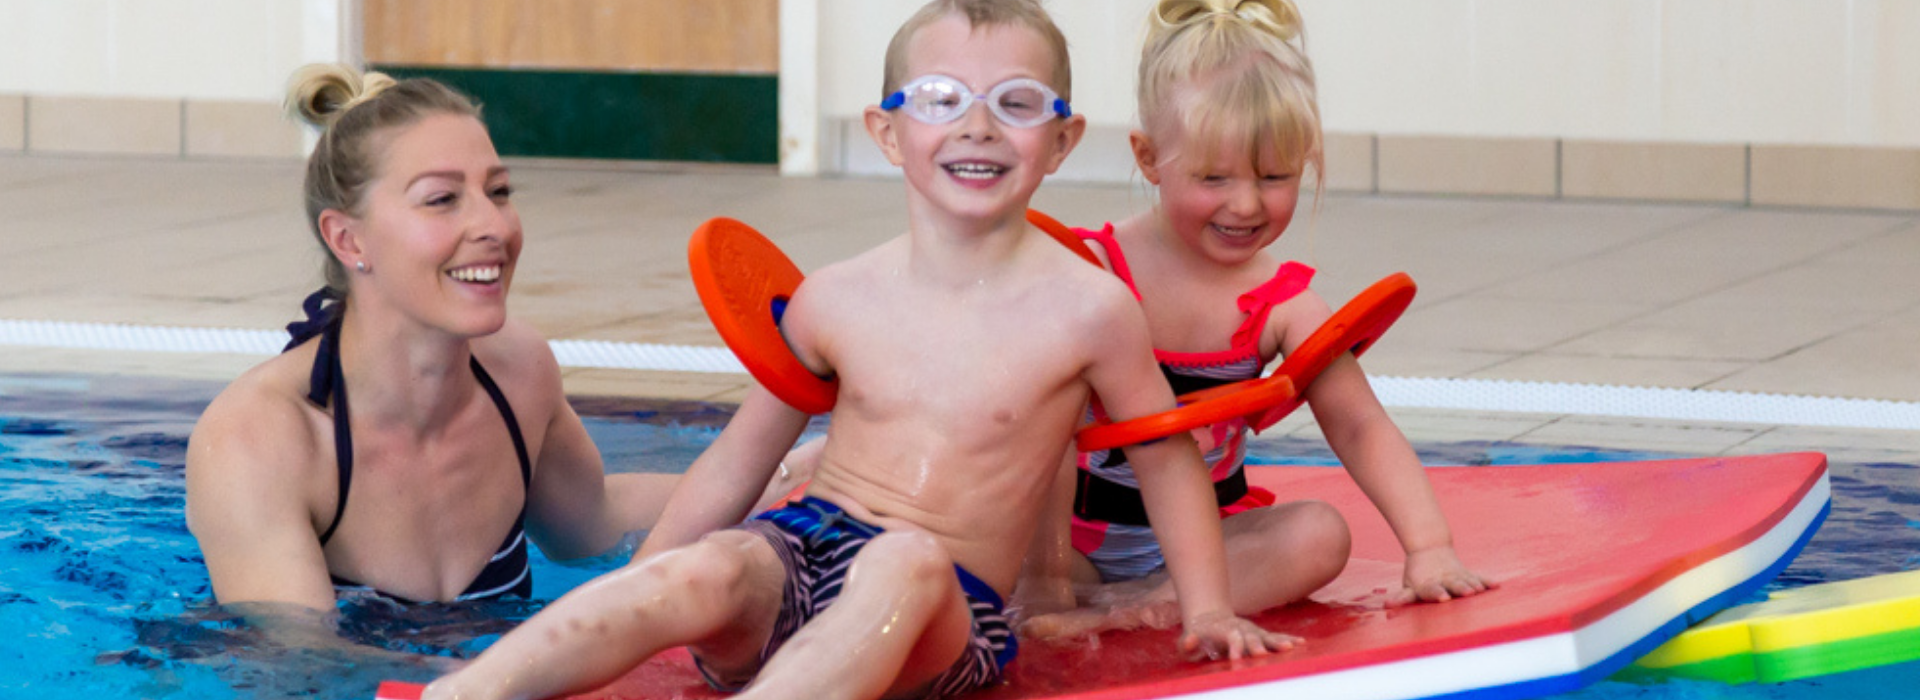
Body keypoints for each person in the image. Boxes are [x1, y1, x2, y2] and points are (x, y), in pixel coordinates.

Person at [420, 2, 1290, 698]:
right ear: (886, 132)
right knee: (719, 562)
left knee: (902, 559)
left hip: (945, 608)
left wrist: (1206, 606)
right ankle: (470, 692)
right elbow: (735, 464)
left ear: (1061, 141)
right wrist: (654, 584)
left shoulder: (1091, 310)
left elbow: (1168, 459)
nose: (978, 127)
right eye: (942, 99)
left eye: (1016, 103)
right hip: (799, 554)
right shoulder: (834, 297)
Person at [1020, 0, 1491, 637]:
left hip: (1215, 545)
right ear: (1148, 157)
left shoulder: (1283, 304)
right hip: (1068, 546)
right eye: (1214, 177)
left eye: (1274, 176)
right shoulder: (1090, 270)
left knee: (1320, 534)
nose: (1245, 204)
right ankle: (1061, 596)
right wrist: (1044, 580)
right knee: (1020, 441)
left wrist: (1428, 545)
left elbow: (1358, 425)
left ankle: (1146, 602)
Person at [184, 65, 677, 624]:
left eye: (499, 191)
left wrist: (781, 472)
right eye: (442, 199)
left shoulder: (518, 373)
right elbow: (308, 670)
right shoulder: (257, 442)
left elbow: (593, 526)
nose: (493, 224)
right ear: (348, 238)